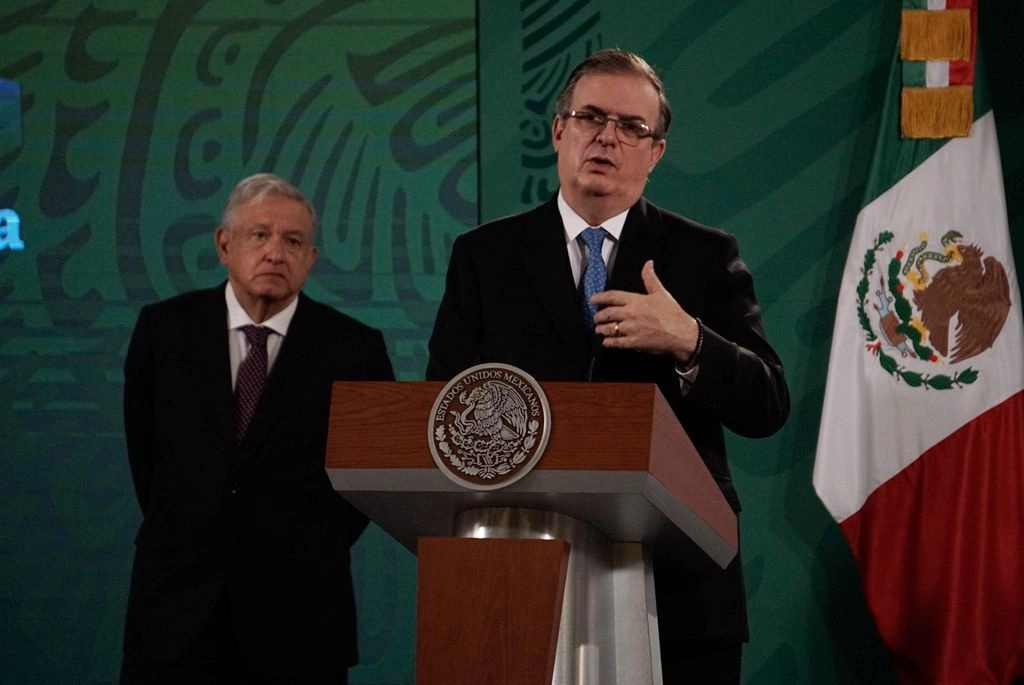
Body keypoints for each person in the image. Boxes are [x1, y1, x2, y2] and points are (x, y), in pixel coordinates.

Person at [426, 49, 789, 684]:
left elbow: (769, 403)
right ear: (558, 130)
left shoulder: (706, 255)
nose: (607, 137)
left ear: (656, 152)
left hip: (678, 585)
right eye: (591, 116)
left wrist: (689, 341)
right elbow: (441, 407)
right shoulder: (484, 256)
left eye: (632, 127)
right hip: (515, 577)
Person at [120, 173, 394, 684]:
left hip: (301, 616)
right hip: (175, 612)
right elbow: (148, 459)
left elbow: (366, 485)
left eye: (293, 241)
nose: (275, 252)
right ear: (225, 245)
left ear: (311, 258)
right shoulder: (164, 331)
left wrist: (303, 544)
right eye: (260, 235)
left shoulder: (355, 349)